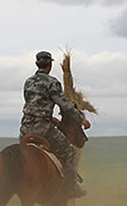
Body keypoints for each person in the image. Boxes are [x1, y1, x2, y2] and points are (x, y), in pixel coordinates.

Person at [20, 50, 86, 197]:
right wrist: (80, 118)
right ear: (49, 65)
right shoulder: (52, 82)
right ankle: (72, 187)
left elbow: (33, 104)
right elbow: (65, 104)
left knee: (21, 154)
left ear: (37, 64)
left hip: (25, 128)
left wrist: (49, 117)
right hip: (43, 128)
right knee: (70, 152)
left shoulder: (28, 82)